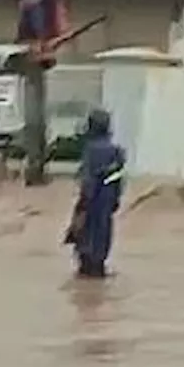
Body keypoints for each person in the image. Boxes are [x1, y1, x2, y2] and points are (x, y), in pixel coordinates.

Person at [63, 109, 125, 278]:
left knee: (86, 236)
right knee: (102, 235)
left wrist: (83, 201)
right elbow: (118, 179)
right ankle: (98, 268)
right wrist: (116, 199)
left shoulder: (90, 150)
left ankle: (86, 272)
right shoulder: (117, 152)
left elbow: (88, 178)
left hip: (90, 199)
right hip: (106, 200)